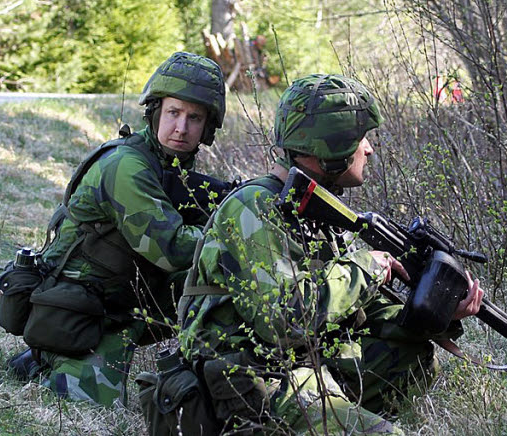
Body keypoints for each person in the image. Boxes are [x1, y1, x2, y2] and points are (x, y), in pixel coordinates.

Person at [173, 74, 484, 434]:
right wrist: (367, 267)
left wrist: (435, 313)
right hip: (249, 378)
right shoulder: (255, 208)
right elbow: (284, 323)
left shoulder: (315, 210)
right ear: (332, 149)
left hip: (303, 362)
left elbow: (358, 312)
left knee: (412, 357)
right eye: (359, 139)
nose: (368, 149)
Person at [5, 51, 229, 407]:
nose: (181, 128)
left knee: (220, 290)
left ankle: (47, 359)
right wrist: (235, 228)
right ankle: (51, 357)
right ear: (155, 112)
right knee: (89, 403)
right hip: (84, 310)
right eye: (173, 113)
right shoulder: (128, 166)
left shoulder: (170, 167)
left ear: (208, 128)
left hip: (117, 300)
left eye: (194, 118)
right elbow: (171, 249)